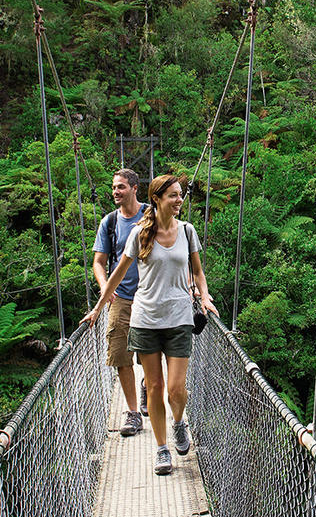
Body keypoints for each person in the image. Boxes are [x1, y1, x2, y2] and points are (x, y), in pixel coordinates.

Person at [84, 173, 218, 475]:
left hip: (180, 319)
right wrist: (97, 308)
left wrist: (205, 296)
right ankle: (161, 448)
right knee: (155, 387)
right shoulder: (140, 234)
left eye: (180, 194)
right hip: (145, 320)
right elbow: (117, 273)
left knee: (175, 389)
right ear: (157, 199)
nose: (179, 199)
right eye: (173, 195)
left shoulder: (187, 231)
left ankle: (179, 421)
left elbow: (198, 272)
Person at [93, 169, 148, 437]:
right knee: (119, 354)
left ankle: (148, 383)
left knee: (153, 352)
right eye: (114, 187)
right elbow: (98, 262)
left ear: (135, 188)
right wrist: (105, 288)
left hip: (151, 296)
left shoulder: (151, 216)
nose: (116, 192)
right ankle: (133, 413)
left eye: (121, 187)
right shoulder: (110, 222)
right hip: (121, 297)